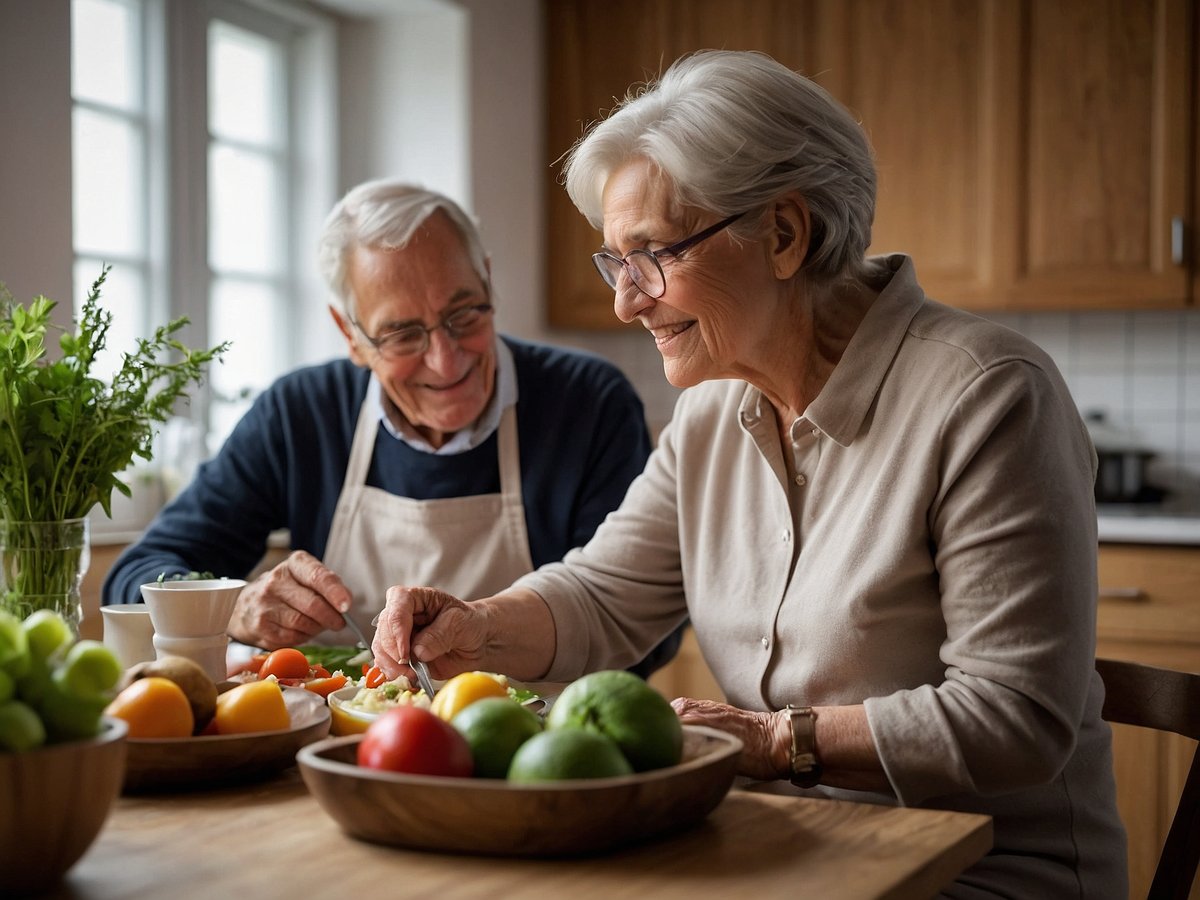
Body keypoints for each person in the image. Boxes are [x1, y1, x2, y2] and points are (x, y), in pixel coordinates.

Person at [370, 51, 1127, 898]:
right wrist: (477, 626)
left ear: (783, 234)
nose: (626, 300)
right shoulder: (711, 409)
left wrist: (771, 741)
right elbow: (603, 596)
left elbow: (1013, 717)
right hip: (787, 846)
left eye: (651, 254)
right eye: (615, 262)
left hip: (980, 869)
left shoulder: (986, 396)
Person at [103, 179, 678, 678]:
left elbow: (638, 626)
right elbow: (132, 578)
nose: (446, 361)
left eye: (464, 314)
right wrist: (230, 608)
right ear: (349, 335)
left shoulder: (588, 403)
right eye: (402, 334)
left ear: (488, 280)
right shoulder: (300, 414)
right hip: (333, 755)